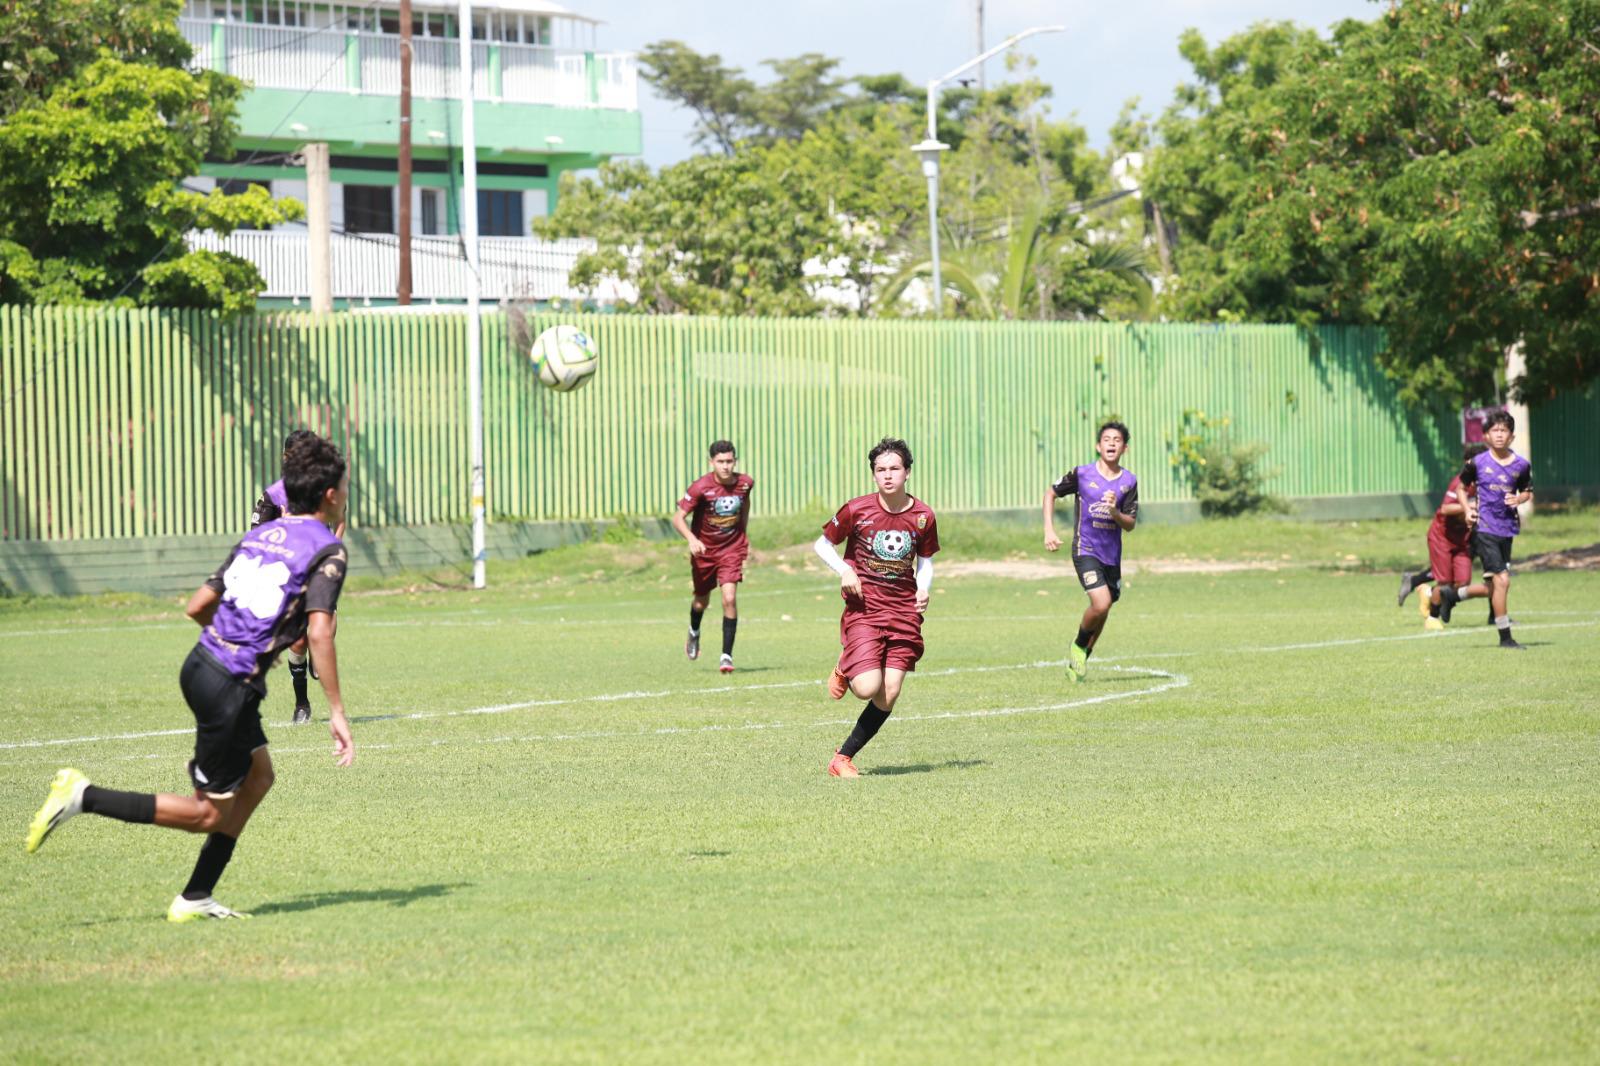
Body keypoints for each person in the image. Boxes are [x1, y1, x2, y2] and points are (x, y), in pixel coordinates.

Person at [26, 435, 355, 921]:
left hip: (200, 665)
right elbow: (321, 633)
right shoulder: (328, 550)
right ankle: (82, 796)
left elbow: (198, 606)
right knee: (206, 814)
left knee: (259, 777)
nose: (347, 490)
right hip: (229, 687)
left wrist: (231, 642)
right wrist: (337, 711)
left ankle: (197, 895)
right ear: (329, 493)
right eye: (344, 484)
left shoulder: (256, 536)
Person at [815, 438, 939, 778]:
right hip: (865, 609)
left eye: (894, 469)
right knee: (867, 687)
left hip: (903, 612)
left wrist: (924, 588)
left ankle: (842, 758)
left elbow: (925, 561)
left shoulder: (923, 516)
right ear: (873, 476)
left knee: (889, 693)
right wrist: (845, 569)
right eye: (881, 470)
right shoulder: (856, 510)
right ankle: (845, 666)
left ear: (907, 472)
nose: (888, 476)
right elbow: (822, 544)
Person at [1043, 421, 1139, 682]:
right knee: (1101, 602)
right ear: (1098, 446)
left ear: (1125, 448)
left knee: (1104, 609)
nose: (1111, 443)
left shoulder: (1128, 481)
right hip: (1085, 548)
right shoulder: (1082, 474)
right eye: (1106, 439)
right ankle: (1078, 644)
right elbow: (1050, 494)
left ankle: (1081, 657)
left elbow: (1129, 524)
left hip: (1111, 556)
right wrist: (1049, 531)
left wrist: (1114, 513)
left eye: (1117, 440)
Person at [251, 429, 331, 724]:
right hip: (288, 575)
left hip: (320, 570)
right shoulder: (273, 495)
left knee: (325, 631)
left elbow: (339, 518)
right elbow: (255, 537)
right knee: (298, 644)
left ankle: (319, 656)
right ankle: (302, 704)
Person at [1440, 411, 1531, 648]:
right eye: (1495, 431)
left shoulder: (1522, 465)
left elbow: (1527, 491)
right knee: (1502, 581)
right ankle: (1506, 638)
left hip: (1507, 529)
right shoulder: (1477, 463)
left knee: (1493, 586)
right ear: (1486, 436)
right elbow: (1461, 489)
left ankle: (1452, 596)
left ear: (1511, 436)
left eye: (1504, 431)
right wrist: (1467, 509)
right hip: (1484, 528)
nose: (1500, 435)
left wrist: (1519, 500)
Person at [671, 440, 754, 674]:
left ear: (735, 460)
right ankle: (694, 631)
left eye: (729, 461)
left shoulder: (745, 483)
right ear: (712, 463)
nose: (726, 466)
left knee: (729, 597)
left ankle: (726, 656)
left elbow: (745, 506)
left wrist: (743, 534)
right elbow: (678, 518)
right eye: (720, 462)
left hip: (731, 550)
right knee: (701, 601)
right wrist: (692, 539)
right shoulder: (700, 487)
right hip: (705, 552)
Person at [1421, 443, 1485, 630]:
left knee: (1463, 583)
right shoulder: (1460, 482)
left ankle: (1428, 592)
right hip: (1441, 537)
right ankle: (1432, 618)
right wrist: (1470, 507)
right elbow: (1446, 508)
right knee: (1445, 583)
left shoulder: (1484, 484)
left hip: (1461, 539)